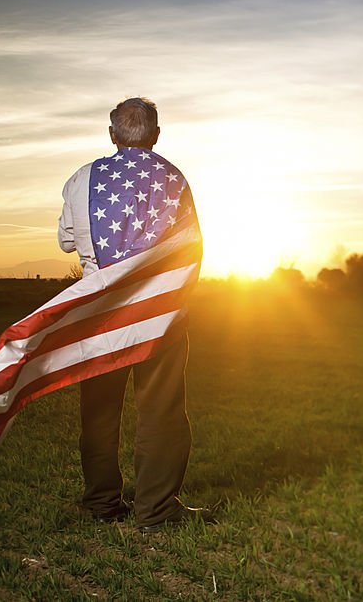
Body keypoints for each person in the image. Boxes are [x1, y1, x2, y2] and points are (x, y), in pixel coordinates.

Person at [57, 97, 214, 533]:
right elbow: (191, 247)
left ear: (111, 134)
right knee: (160, 409)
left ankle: (102, 502)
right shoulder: (174, 177)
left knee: (99, 412)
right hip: (157, 312)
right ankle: (156, 510)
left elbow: (66, 242)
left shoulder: (81, 178)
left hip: (98, 314)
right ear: (156, 135)